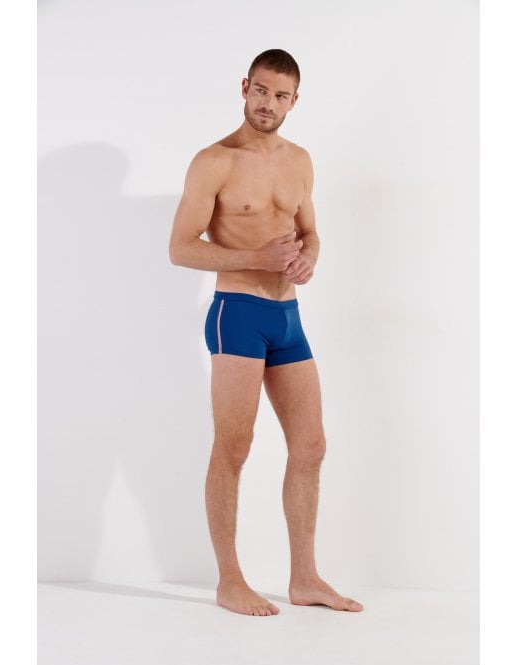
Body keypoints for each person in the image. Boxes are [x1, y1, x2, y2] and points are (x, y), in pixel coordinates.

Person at [169, 49, 363, 616]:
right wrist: (257, 257)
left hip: (287, 318)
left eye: (280, 95)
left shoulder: (300, 160)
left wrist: (308, 259)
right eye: (260, 90)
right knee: (234, 446)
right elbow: (180, 248)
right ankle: (230, 581)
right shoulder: (214, 161)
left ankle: (305, 578)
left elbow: (310, 232)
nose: (268, 103)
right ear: (244, 87)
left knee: (311, 446)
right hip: (237, 314)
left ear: (294, 101)